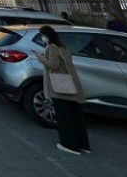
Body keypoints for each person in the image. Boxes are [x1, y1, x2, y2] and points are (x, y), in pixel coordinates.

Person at [36, 25, 90, 155]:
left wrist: (41, 58)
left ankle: (69, 145)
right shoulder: (62, 47)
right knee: (76, 117)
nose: (42, 38)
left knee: (64, 118)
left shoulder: (52, 48)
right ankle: (83, 145)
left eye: (42, 35)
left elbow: (53, 65)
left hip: (60, 86)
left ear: (47, 36)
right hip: (71, 84)